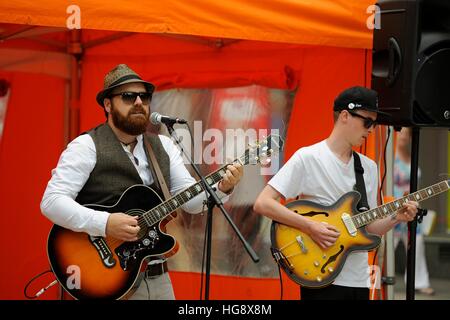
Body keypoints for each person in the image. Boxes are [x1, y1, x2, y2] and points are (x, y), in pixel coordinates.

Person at [40, 64, 243, 300]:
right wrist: (105, 223)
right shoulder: (86, 146)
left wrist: (222, 187)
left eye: (144, 96)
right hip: (108, 277)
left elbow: (190, 201)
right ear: (108, 104)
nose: (139, 102)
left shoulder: (163, 146)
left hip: (158, 277)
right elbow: (51, 202)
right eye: (128, 96)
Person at [253, 86, 419, 300]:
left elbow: (368, 228)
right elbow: (263, 203)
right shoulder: (308, 157)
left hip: (359, 279)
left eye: (374, 123)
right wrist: (310, 226)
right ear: (345, 116)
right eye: (367, 121)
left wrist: (396, 217)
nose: (371, 129)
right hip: (319, 274)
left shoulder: (368, 167)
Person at [393, 127, 435, 295]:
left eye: (406, 133)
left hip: (410, 208)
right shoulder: (388, 156)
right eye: (400, 131)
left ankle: (420, 281)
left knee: (417, 244)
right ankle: (377, 278)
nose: (403, 135)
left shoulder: (411, 157)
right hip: (392, 209)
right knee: (386, 246)